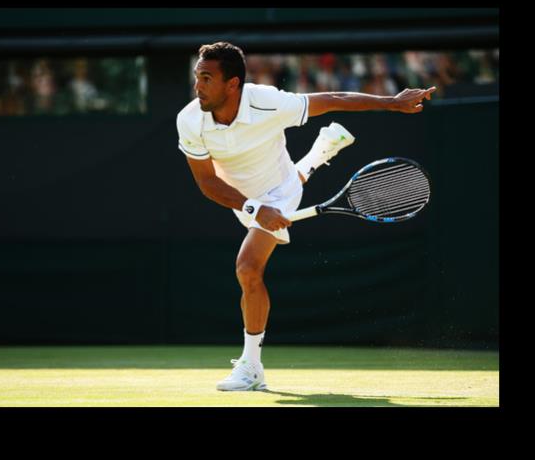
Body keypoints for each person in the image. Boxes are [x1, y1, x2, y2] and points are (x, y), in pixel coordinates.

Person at [176, 42, 436, 391]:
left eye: (207, 78)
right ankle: (316, 157)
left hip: (279, 191)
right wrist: (254, 208)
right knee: (252, 253)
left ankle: (251, 368)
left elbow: (334, 99)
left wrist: (390, 102)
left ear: (233, 84)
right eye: (197, 77)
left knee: (247, 268)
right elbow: (207, 182)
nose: (198, 86)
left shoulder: (268, 101)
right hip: (244, 198)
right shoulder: (190, 120)